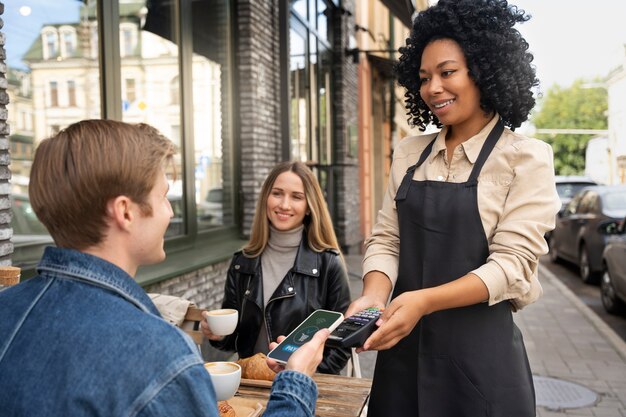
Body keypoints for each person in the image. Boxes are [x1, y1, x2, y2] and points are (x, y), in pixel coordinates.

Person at [0, 119, 329, 417]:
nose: (171, 214)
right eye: (163, 197)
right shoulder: (160, 355)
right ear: (126, 212)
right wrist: (296, 382)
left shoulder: (6, 311)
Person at [346, 1, 562, 416]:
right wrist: (374, 296)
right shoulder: (409, 153)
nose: (433, 88)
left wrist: (423, 301)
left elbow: (512, 265)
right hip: (402, 359)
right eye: (425, 77)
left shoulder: (525, 158)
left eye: (447, 73)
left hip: (481, 368)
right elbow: (387, 239)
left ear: (484, 70)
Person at [202, 161, 351, 374]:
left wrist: (297, 374)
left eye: (296, 197)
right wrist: (217, 334)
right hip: (251, 385)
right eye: (277, 193)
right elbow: (233, 340)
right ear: (266, 198)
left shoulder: (328, 263)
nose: (284, 205)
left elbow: (340, 345)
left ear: (309, 206)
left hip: (302, 387)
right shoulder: (242, 262)